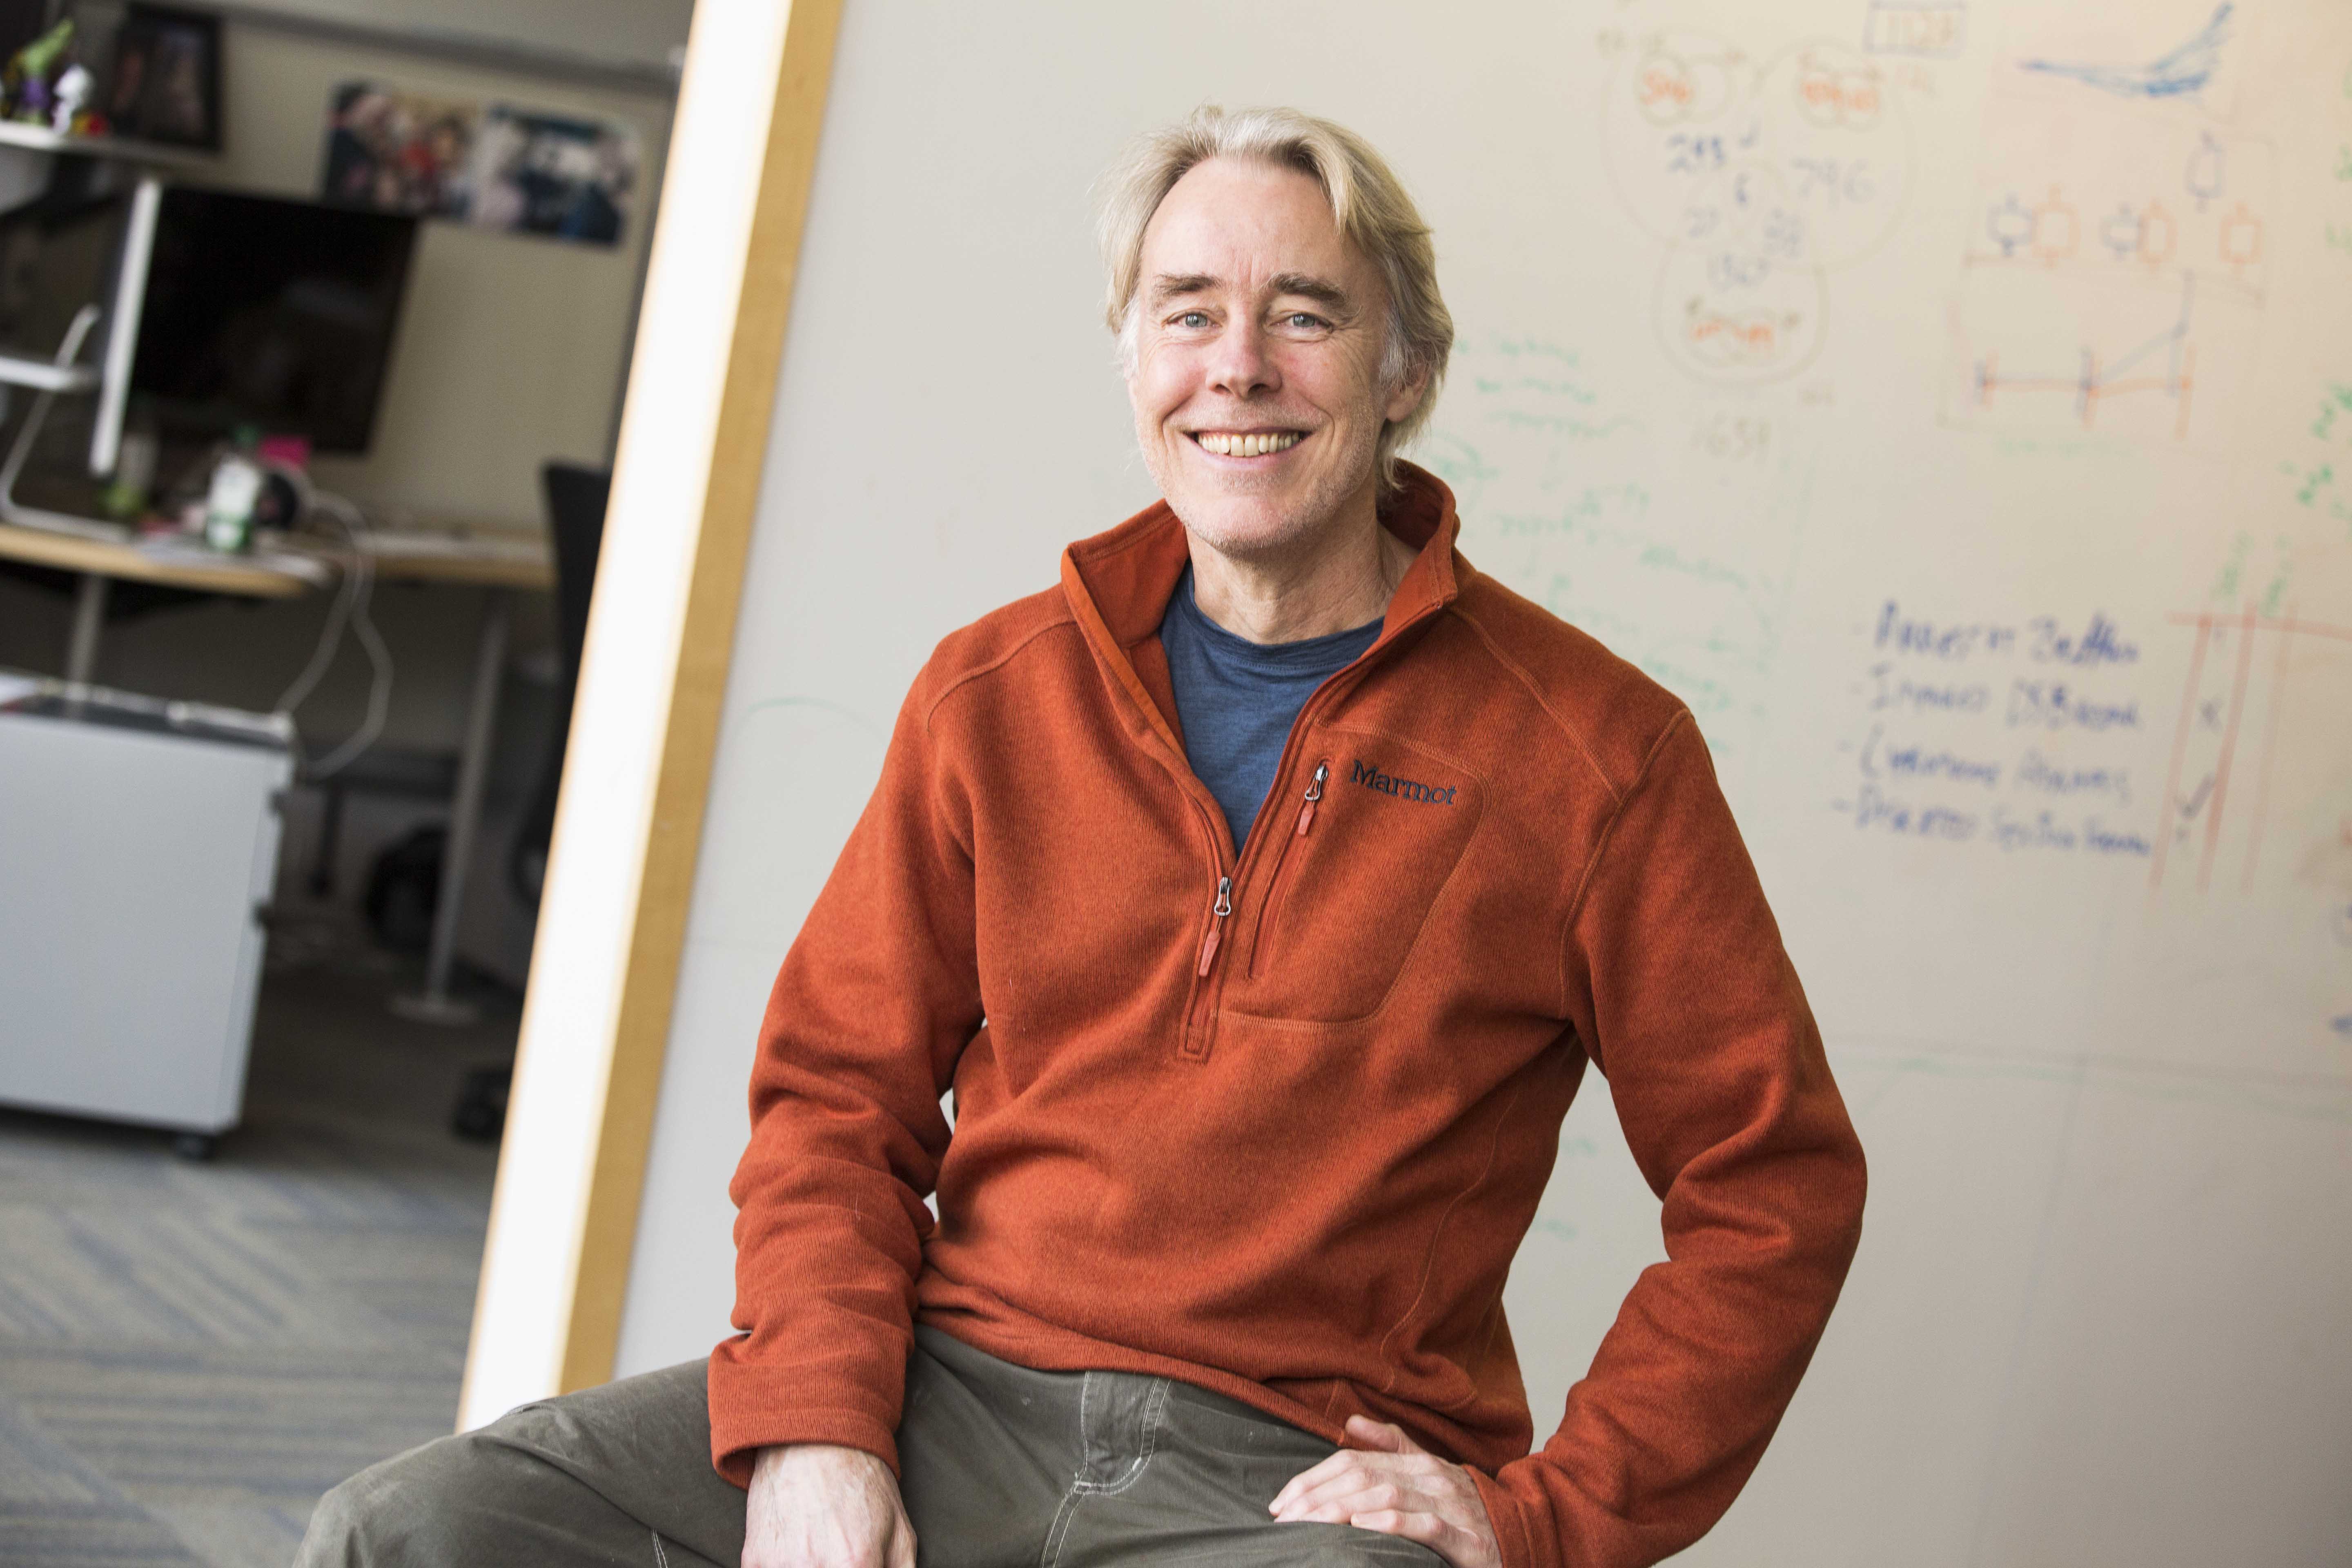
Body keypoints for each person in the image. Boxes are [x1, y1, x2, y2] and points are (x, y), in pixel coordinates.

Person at [299, 105, 1864, 1568]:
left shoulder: (1597, 751)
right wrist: (820, 1426)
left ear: (1405, 370)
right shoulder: (997, 691)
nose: (1237, 366)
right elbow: (836, 1100)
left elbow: (1773, 1183)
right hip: (945, 1393)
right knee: (408, 1537)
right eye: (1188, 312)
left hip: (1291, 1474)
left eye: (1305, 314)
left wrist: (1544, 1520)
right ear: (1132, 359)